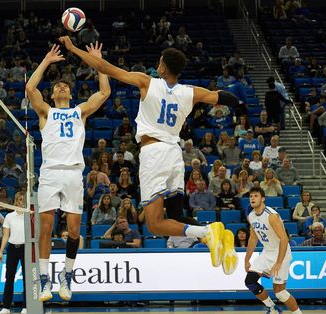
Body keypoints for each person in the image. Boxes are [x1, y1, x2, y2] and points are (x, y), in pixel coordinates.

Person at [60, 36, 240, 274]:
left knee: (155, 224)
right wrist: (239, 102)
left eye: (160, 60)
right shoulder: (191, 92)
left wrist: (74, 49)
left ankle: (209, 232)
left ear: (163, 66)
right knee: (175, 215)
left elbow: (105, 69)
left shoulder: (147, 82)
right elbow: (223, 97)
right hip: (175, 154)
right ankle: (214, 237)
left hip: (154, 153)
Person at [26, 43, 110, 302]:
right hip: (50, 173)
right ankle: (43, 280)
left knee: (74, 230)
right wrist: (46, 60)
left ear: (71, 95)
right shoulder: (45, 112)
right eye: (57, 87)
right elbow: (30, 89)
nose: (61, 87)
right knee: (46, 228)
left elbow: (105, 92)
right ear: (52, 95)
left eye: (66, 86)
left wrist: (98, 62)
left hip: (73, 174)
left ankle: (67, 275)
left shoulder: (79, 111)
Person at [245, 187, 303, 314]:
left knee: (280, 292)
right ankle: (273, 309)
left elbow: (284, 239)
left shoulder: (271, 216)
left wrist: (278, 262)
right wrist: (247, 259)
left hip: (281, 252)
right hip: (267, 252)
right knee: (249, 281)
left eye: (256, 196)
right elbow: (253, 238)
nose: (253, 198)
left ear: (263, 198)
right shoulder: (251, 215)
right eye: (251, 196)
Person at [0, 193, 28, 314]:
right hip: (12, 248)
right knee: (9, 278)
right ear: (15, 201)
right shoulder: (9, 216)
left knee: (27, 279)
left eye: (22, 200)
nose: (20, 202)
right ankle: (6, 306)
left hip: (26, 248)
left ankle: (26, 306)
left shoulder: (28, 216)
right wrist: (1, 251)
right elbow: (6, 235)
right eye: (19, 200)